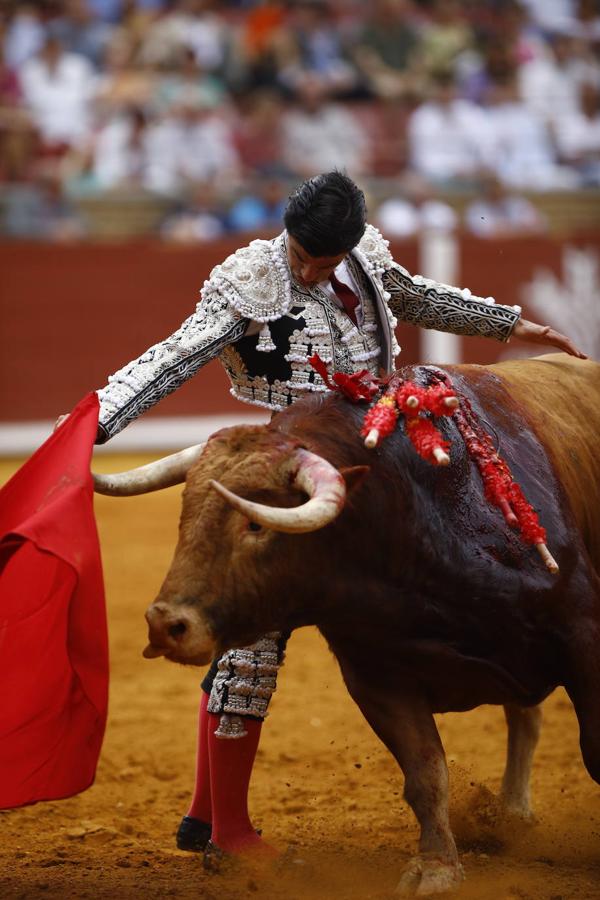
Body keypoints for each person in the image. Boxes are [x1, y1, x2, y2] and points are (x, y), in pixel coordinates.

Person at [57, 171, 584, 868]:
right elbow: (173, 358)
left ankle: (204, 811)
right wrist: (87, 426)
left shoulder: (363, 255)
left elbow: (414, 296)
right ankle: (227, 826)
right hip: (283, 466)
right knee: (252, 631)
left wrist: (508, 324)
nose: (308, 268)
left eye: (323, 260)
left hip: (379, 460)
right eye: (302, 254)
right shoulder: (251, 276)